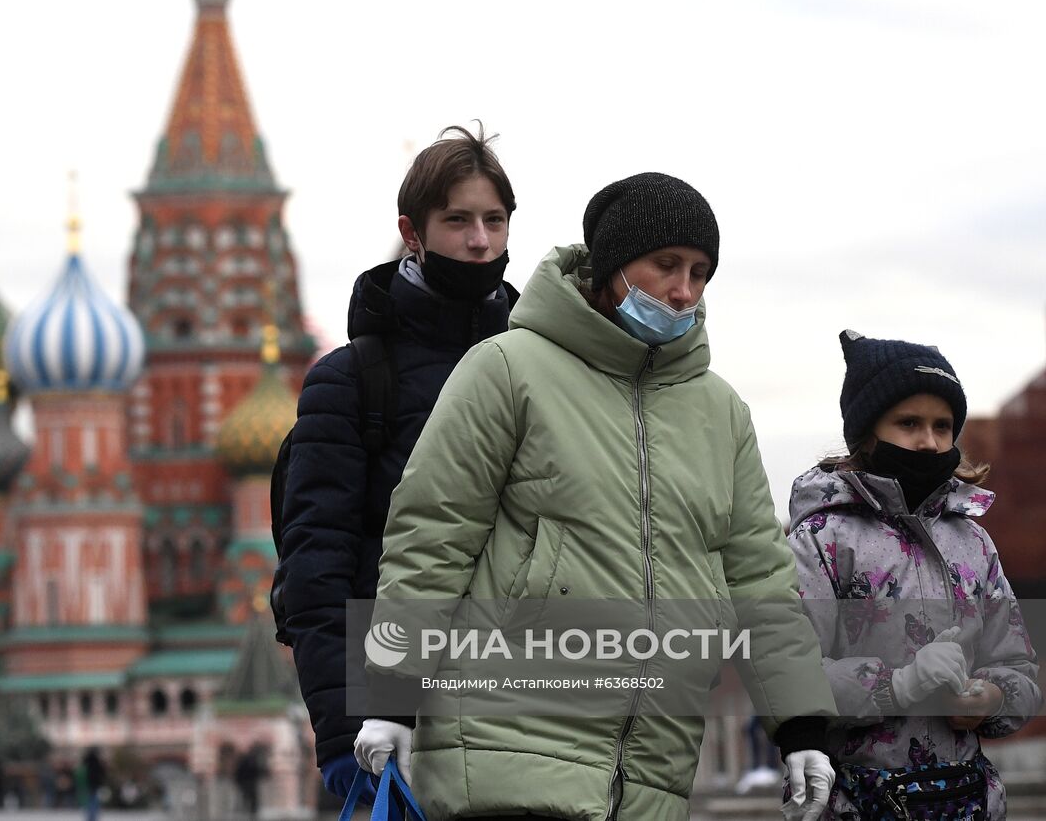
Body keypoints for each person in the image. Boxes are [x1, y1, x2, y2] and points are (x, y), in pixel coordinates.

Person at [356, 173, 839, 820]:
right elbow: (431, 539)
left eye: (700, 272)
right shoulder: (508, 370)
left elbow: (762, 579)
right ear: (612, 266)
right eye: (665, 265)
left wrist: (801, 725)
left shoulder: (721, 411)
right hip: (508, 750)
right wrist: (390, 696)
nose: (683, 290)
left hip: (651, 776)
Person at [277, 123, 519, 801]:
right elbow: (317, 567)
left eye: (494, 221)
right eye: (458, 220)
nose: (479, 241)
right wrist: (341, 729)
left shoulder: (542, 374)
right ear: (413, 232)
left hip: (526, 710)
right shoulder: (351, 382)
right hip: (398, 719)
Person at [786, 331, 1042, 820]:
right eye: (908, 423)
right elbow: (790, 674)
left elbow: (1022, 672)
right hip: (858, 802)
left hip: (968, 802)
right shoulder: (823, 537)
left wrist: (991, 697)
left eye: (942, 426)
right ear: (866, 433)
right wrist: (898, 686)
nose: (928, 442)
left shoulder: (973, 541)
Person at [80, 747, 107, 821]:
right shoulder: (98, 761)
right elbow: (103, 772)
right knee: (95, 800)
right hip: (96, 783)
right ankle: (93, 816)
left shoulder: (87, 760)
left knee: (90, 800)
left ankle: (90, 816)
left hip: (88, 783)